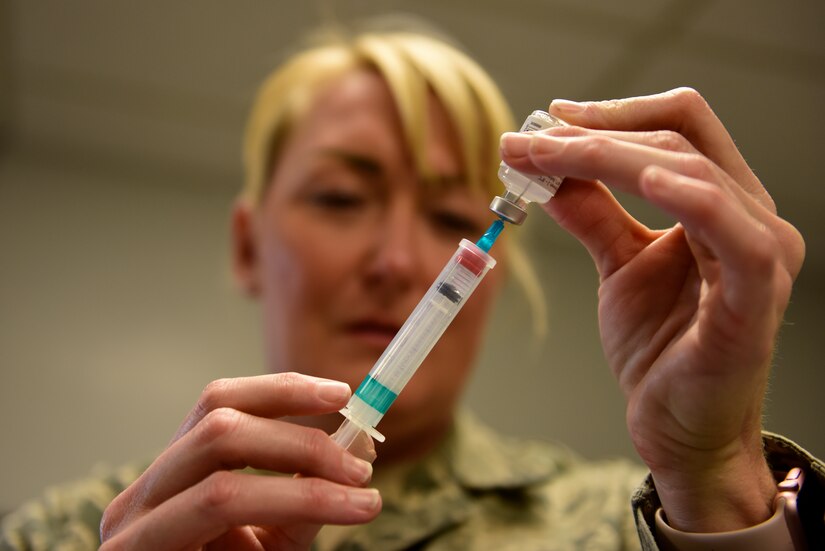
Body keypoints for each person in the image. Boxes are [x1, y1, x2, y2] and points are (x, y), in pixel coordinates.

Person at [1, 26, 822, 551]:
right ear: (250, 244)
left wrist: (712, 470)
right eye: (340, 197)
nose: (399, 260)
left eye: (448, 213)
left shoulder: (633, 526)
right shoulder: (75, 533)